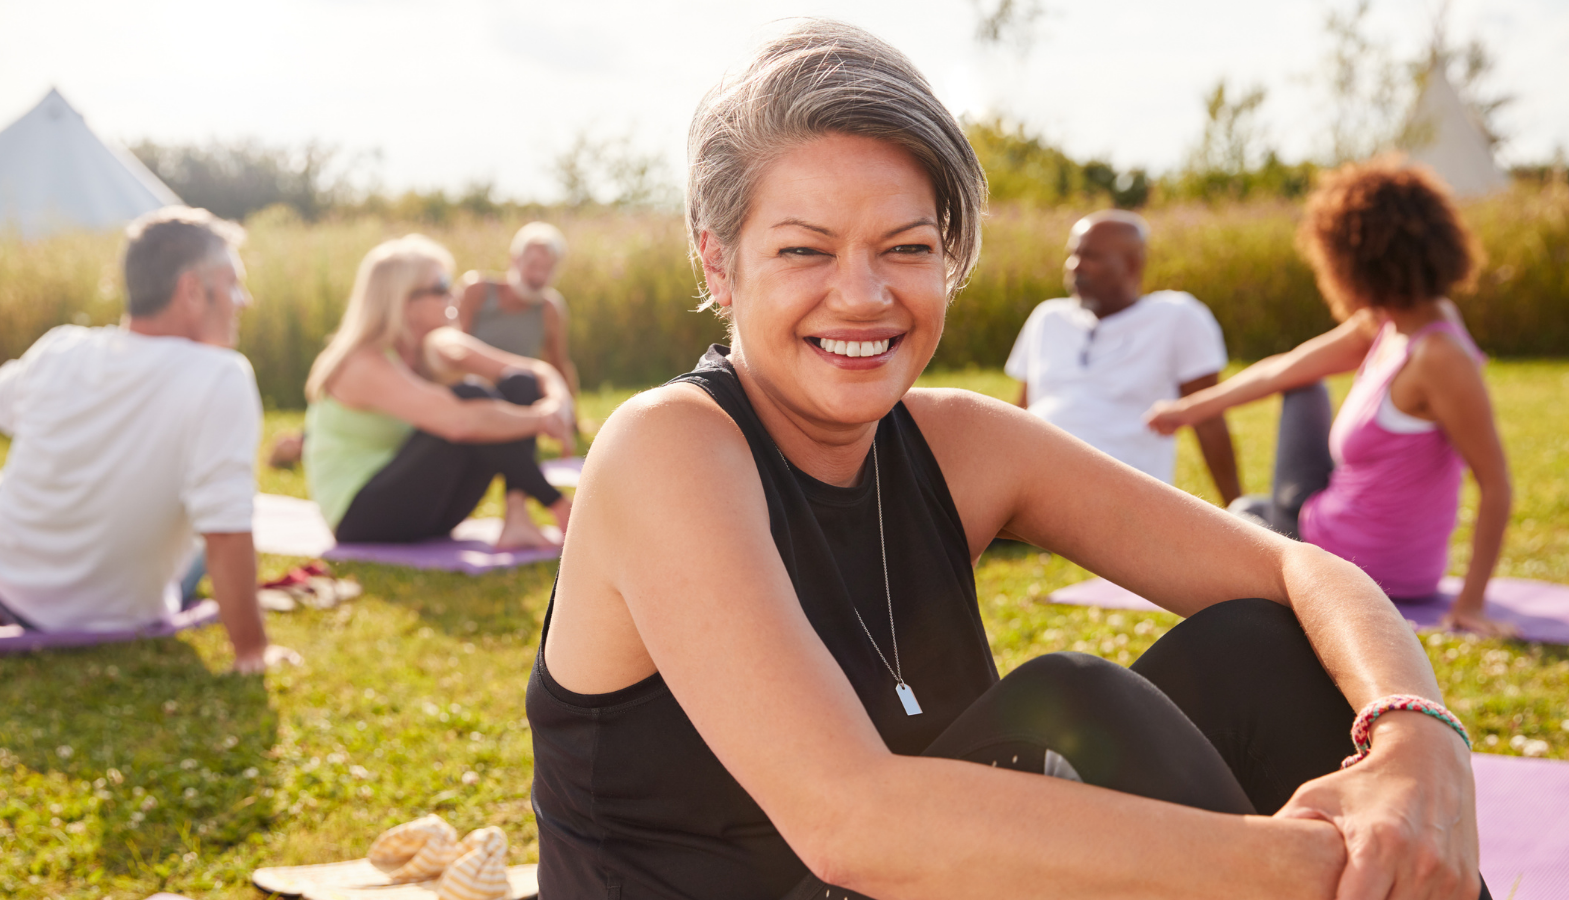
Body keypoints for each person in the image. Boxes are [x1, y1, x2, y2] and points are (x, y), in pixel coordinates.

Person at [525, 21, 1487, 900]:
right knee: (1070, 698)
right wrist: (1327, 862)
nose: (861, 297)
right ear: (718, 265)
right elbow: (849, 820)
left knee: (1258, 645)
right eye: (804, 252)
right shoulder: (668, 448)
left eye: (905, 248)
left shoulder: (961, 443)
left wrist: (1415, 737)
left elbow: (1297, 568)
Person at [1147, 159, 1513, 637]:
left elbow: (1496, 484)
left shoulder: (1438, 357)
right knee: (1257, 496)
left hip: (1348, 558)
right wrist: (1187, 411)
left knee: (1248, 509)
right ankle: (1255, 521)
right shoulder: (1398, 324)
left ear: (1355, 262)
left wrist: (1471, 604)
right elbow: (1286, 364)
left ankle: (1253, 524)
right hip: (1378, 555)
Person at [0, 207, 293, 673]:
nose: (243, 300)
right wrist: (253, 651)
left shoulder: (61, 347)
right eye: (232, 284)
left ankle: (10, 604)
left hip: (1, 571)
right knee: (199, 548)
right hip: (113, 610)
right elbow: (224, 529)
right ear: (192, 291)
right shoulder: (221, 376)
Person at [303, 235, 575, 551]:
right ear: (405, 302)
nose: (454, 295)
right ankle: (562, 509)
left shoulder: (436, 346)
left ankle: (517, 519)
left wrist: (557, 403)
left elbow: (535, 372)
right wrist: (541, 421)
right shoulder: (362, 363)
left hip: (429, 512)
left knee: (518, 384)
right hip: (362, 517)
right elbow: (460, 423)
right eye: (442, 286)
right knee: (470, 398)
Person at [1005, 210, 1241, 505]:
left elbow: (1207, 419)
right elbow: (1021, 411)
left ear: (1132, 265)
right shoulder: (1048, 317)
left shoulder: (1177, 318)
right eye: (1072, 254)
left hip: (1117, 496)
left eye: (1091, 256)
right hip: (1025, 485)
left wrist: (1237, 507)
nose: (1075, 266)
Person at [457, 221, 579, 399]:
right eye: (533, 265)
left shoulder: (550, 308)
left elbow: (559, 364)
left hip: (517, 392)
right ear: (515, 259)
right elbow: (454, 348)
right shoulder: (477, 290)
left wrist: (572, 416)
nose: (539, 276)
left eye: (547, 268)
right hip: (471, 389)